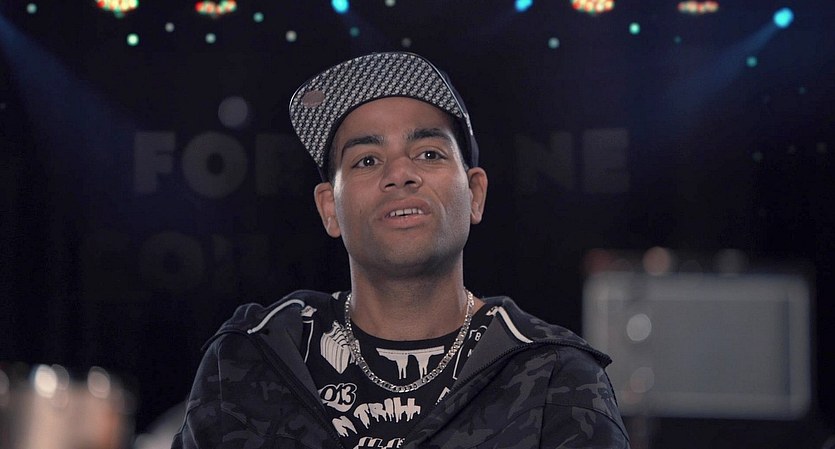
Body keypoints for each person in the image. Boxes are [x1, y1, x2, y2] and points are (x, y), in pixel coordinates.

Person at [172, 52, 630, 449]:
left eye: (429, 154)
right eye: (367, 160)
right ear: (329, 208)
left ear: (475, 194)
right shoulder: (250, 359)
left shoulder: (555, 377)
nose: (400, 174)